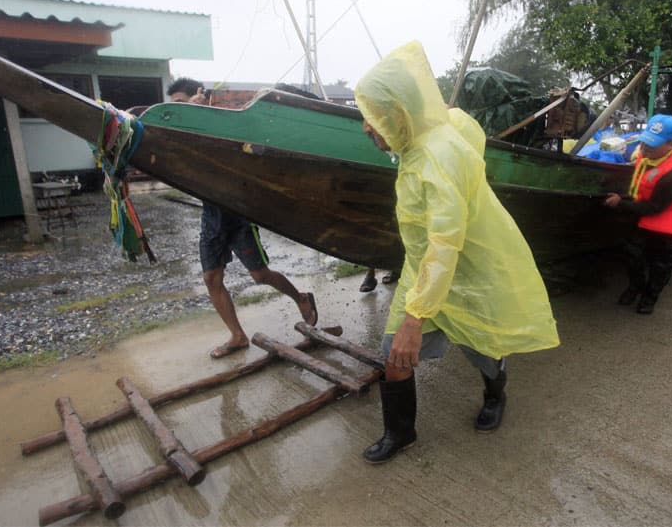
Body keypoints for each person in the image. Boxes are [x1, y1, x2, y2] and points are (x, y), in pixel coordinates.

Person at [353, 41, 560, 464]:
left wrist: (416, 317)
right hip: (423, 269)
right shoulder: (433, 131)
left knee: (483, 350)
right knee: (395, 354)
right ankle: (400, 432)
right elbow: (466, 125)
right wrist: (412, 312)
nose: (365, 128)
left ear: (399, 113)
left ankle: (495, 393)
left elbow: (446, 243)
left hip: (465, 270)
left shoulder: (436, 161)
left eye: (371, 118)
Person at [167, 78, 318, 359]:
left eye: (179, 103)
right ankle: (237, 336)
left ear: (197, 98)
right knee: (212, 277)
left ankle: (301, 298)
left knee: (260, 275)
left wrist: (202, 113)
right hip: (211, 213)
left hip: (236, 209)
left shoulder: (220, 118)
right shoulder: (177, 128)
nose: (175, 110)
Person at [604, 114, 672, 314]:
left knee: (661, 262)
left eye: (652, 145)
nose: (645, 148)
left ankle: (650, 297)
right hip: (647, 207)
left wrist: (620, 202)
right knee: (630, 251)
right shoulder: (648, 153)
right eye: (645, 142)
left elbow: (655, 207)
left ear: (671, 144)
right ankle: (636, 286)